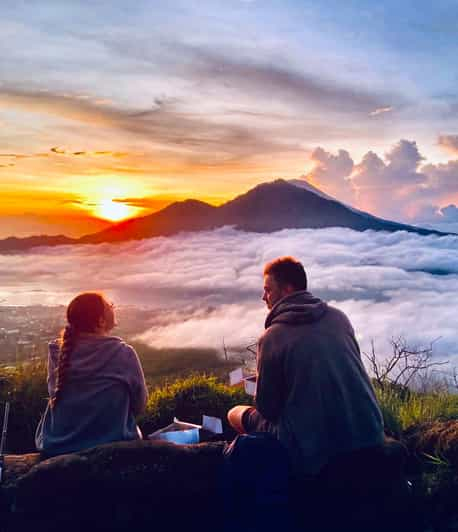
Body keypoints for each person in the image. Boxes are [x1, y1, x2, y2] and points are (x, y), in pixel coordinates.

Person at [227, 256, 384, 478]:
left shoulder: (273, 336)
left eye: (268, 290)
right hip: (369, 433)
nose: (264, 297)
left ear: (288, 290)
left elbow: (268, 410)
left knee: (234, 414)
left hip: (314, 450)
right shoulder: (339, 318)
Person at [35, 291, 148, 456]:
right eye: (108, 305)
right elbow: (139, 405)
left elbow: (55, 393)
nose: (113, 306)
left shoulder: (57, 352)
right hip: (113, 442)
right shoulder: (123, 353)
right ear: (100, 321)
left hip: (57, 444)